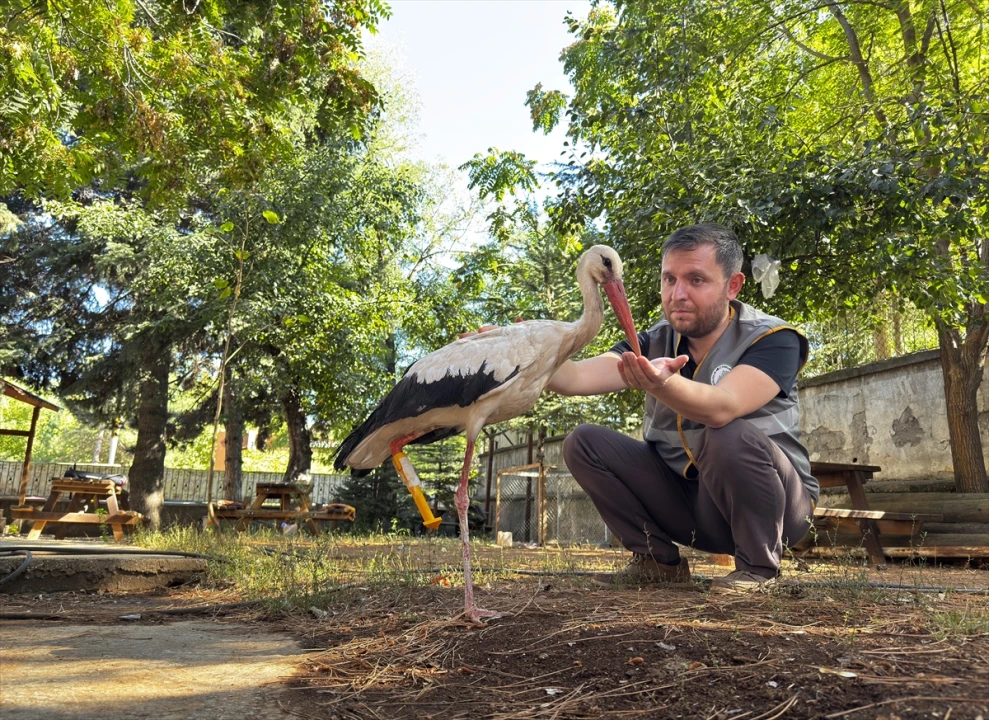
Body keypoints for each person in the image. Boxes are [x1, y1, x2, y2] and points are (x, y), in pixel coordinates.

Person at [545, 223, 817, 594]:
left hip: (777, 509)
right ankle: (657, 563)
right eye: (669, 279)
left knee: (728, 432)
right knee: (584, 442)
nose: (678, 294)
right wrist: (515, 355)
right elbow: (574, 378)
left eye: (696, 280)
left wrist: (663, 384)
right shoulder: (652, 341)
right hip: (691, 507)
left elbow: (724, 407)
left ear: (733, 286)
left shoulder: (774, 339)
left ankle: (758, 569)